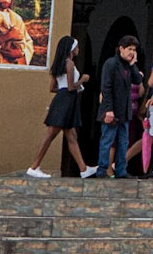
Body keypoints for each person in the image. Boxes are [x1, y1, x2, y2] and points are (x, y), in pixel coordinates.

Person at [26, 36, 96, 178]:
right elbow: (71, 87)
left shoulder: (60, 63)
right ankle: (34, 167)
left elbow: (53, 88)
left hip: (62, 100)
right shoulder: (69, 63)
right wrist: (83, 79)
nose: (78, 49)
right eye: (76, 46)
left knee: (71, 136)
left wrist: (67, 89)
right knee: (51, 134)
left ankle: (83, 169)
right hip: (66, 101)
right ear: (71, 49)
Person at [93, 38, 139, 178]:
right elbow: (106, 87)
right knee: (107, 140)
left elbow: (137, 80)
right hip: (112, 110)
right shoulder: (111, 64)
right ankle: (102, 170)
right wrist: (108, 109)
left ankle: (121, 170)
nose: (132, 52)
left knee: (123, 143)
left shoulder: (128, 66)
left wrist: (133, 65)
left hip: (124, 112)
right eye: (129, 49)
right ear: (121, 48)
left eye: (134, 50)